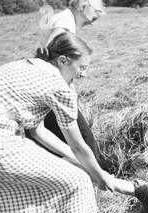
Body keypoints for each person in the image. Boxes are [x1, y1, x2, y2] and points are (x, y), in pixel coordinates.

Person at [0, 32, 116, 213]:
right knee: (78, 181)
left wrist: (74, 161)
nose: (84, 74)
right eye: (81, 67)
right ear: (63, 61)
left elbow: (38, 132)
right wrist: (98, 175)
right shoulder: (58, 86)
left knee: (51, 182)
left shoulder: (27, 65)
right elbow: (79, 145)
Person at [26, 0, 106, 162]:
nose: (97, 16)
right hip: (51, 90)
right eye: (97, 11)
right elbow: (52, 53)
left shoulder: (64, 18)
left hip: (43, 89)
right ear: (84, 6)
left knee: (48, 138)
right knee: (84, 139)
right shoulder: (66, 21)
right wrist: (67, 91)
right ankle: (95, 174)